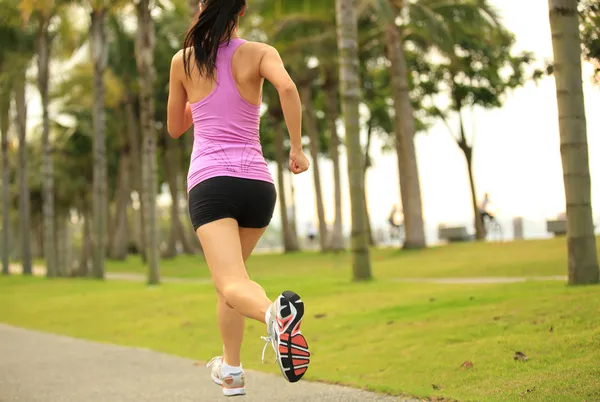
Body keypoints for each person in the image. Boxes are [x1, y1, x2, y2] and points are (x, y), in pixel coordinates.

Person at [167, 0, 311, 396]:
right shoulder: (262, 53)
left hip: (212, 183)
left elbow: (175, 126)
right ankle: (231, 370)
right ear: (241, 11)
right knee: (230, 282)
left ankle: (273, 315)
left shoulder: (183, 61)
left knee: (230, 281)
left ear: (200, 7)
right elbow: (286, 87)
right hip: (257, 186)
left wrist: (200, 104)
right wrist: (297, 150)